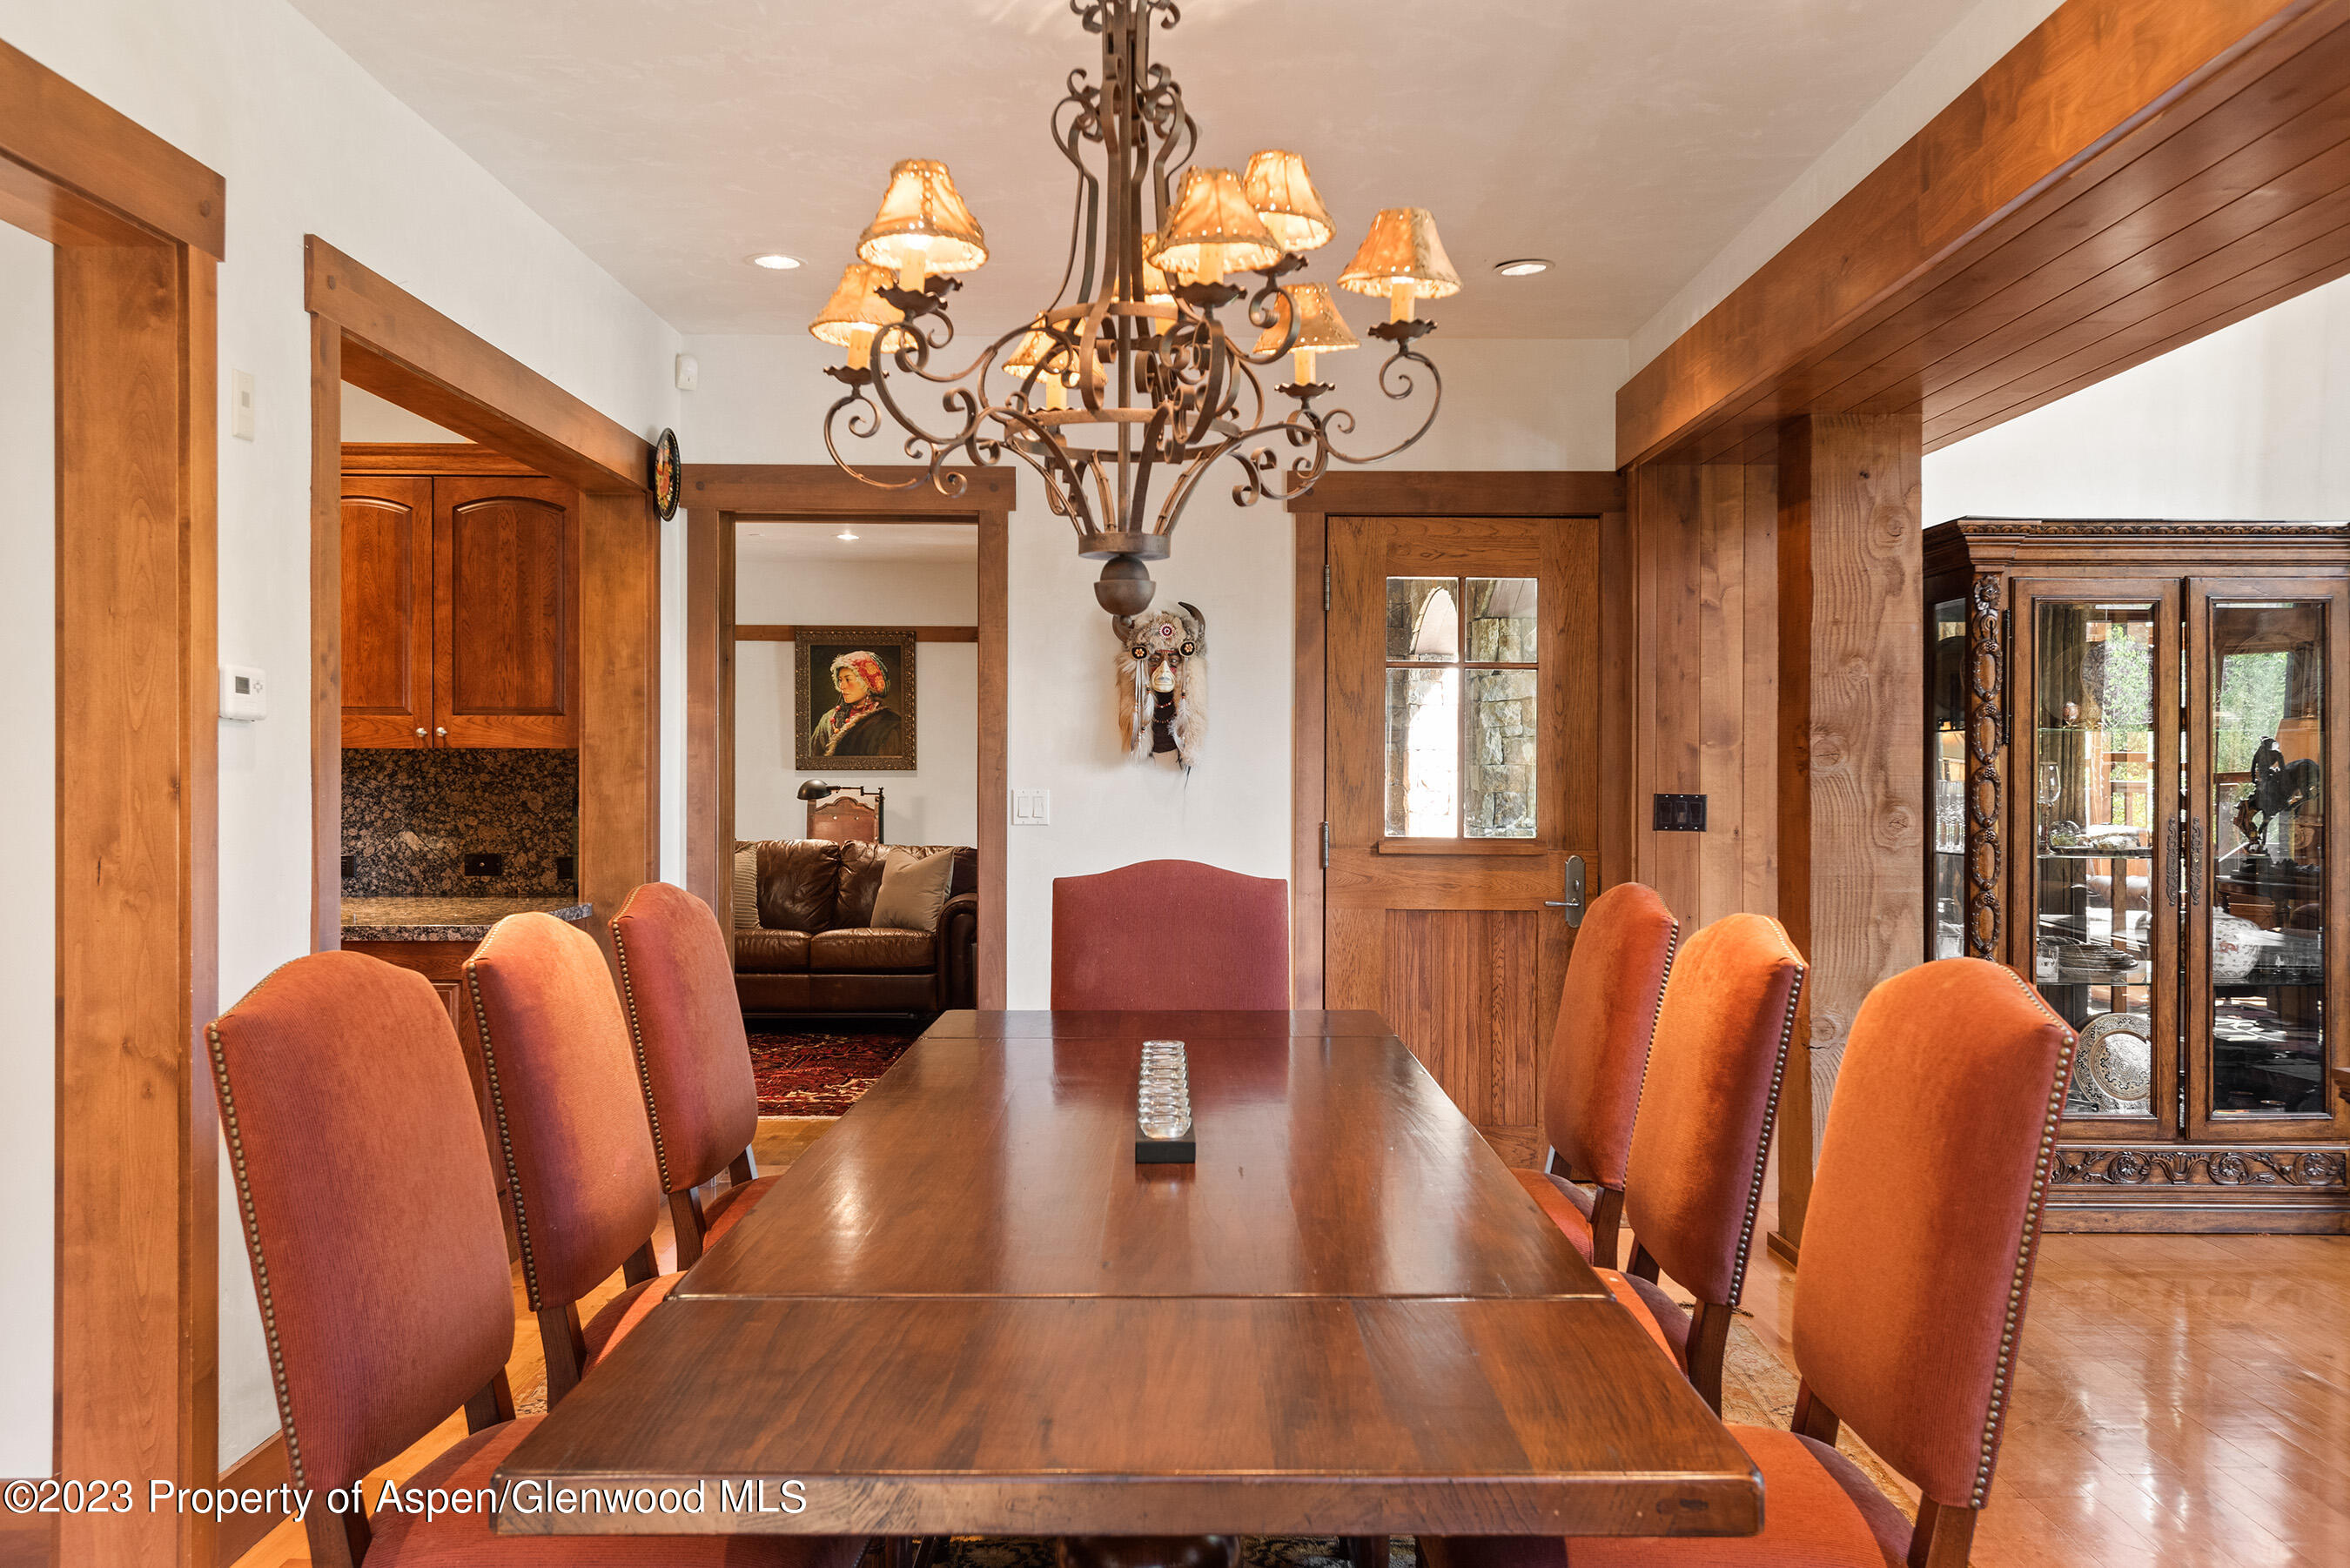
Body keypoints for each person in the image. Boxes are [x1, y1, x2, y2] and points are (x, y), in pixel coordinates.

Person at [809, 649, 903, 757]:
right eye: (840, 680)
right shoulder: (829, 720)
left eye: (848, 679)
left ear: (867, 683)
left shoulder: (890, 724)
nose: (842, 686)